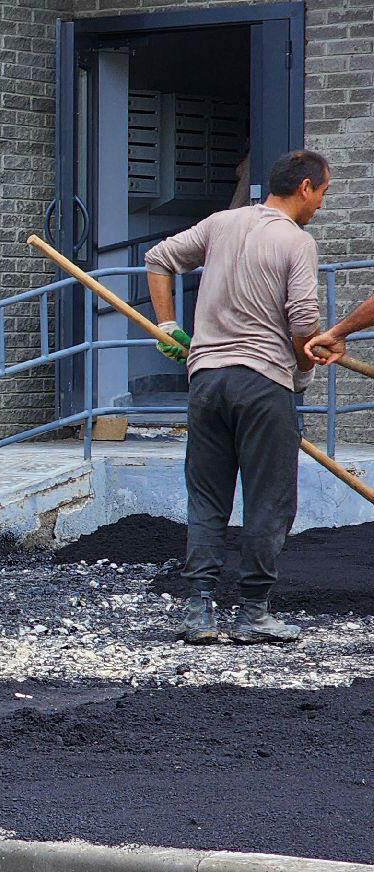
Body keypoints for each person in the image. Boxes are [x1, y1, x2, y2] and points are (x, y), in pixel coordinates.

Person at [144, 149, 329, 645]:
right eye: (323, 193)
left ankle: (199, 610)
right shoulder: (296, 240)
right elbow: (303, 323)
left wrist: (167, 326)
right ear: (306, 187)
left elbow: (159, 258)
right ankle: (253, 612)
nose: (320, 205)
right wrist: (306, 368)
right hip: (262, 382)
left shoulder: (221, 223)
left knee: (207, 496)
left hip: (205, 381)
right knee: (269, 499)